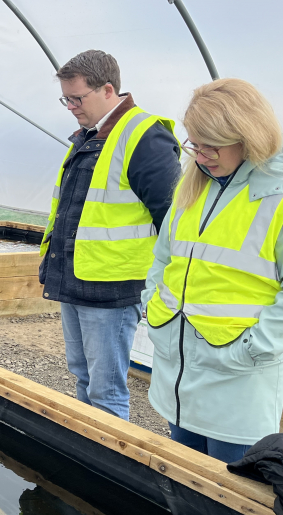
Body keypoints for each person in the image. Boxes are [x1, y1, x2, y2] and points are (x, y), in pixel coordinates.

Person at [144, 78, 283, 462]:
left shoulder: (277, 196)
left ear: (248, 136)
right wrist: (151, 304)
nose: (200, 156)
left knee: (231, 489)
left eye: (211, 146)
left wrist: (257, 348)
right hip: (180, 368)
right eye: (195, 144)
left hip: (238, 376)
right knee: (184, 479)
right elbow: (163, 255)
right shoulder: (195, 185)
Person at [39, 50, 181, 421]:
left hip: (112, 287)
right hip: (76, 278)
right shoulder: (87, 137)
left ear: (107, 89)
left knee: (106, 390)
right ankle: (86, 452)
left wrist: (163, 286)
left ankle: (106, 465)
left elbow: (173, 221)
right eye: (65, 98)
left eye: (76, 98)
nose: (70, 106)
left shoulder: (145, 137)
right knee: (83, 377)